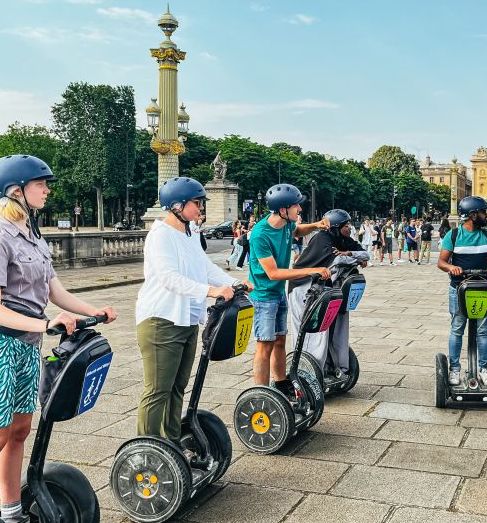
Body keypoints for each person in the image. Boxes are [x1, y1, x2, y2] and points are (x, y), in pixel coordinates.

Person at [0, 154, 117, 523]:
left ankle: (12, 513)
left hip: (26, 347)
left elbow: (56, 292)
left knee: (19, 431)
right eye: (40, 184)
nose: (47, 190)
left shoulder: (33, 237)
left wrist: (93, 311)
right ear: (16, 191)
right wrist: (46, 324)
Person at [136, 177, 250, 444]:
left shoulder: (190, 233)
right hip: (160, 321)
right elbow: (169, 278)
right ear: (177, 205)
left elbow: (206, 269)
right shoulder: (160, 235)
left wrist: (234, 283)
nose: (201, 208)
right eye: (197, 203)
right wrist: (212, 292)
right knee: (157, 390)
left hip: (186, 319)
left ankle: (171, 443)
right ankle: (146, 450)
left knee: (177, 388)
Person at [248, 183, 330, 396]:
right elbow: (273, 273)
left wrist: (317, 225)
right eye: (296, 206)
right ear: (283, 209)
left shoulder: (285, 224)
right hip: (264, 296)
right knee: (264, 345)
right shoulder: (260, 234)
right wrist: (312, 270)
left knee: (280, 340)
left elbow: (297, 230)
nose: (300, 210)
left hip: (277, 293)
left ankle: (281, 382)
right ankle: (261, 393)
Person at [288, 208, 369, 371]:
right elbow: (337, 260)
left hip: (325, 288)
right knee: (314, 330)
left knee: (332, 327)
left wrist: (350, 253)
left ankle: (333, 365)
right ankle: (308, 369)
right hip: (305, 288)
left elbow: (366, 255)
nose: (349, 228)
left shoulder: (344, 241)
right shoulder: (321, 238)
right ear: (335, 227)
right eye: (346, 225)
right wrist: (353, 258)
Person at [437, 196, 487, 386]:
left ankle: (483, 369)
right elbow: (441, 262)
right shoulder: (454, 235)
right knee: (457, 328)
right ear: (473, 215)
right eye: (483, 212)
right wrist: (451, 268)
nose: (486, 215)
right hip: (459, 288)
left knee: (482, 331)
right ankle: (454, 370)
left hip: (482, 287)